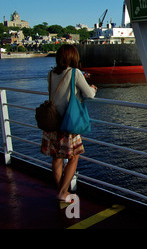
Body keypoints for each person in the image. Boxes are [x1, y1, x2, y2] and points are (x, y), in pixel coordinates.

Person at [40, 44, 97, 203]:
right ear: (73, 57)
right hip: (68, 122)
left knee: (57, 158)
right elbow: (89, 94)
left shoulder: (51, 74)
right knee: (74, 157)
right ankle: (63, 192)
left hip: (53, 123)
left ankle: (61, 191)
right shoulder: (75, 72)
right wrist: (93, 88)